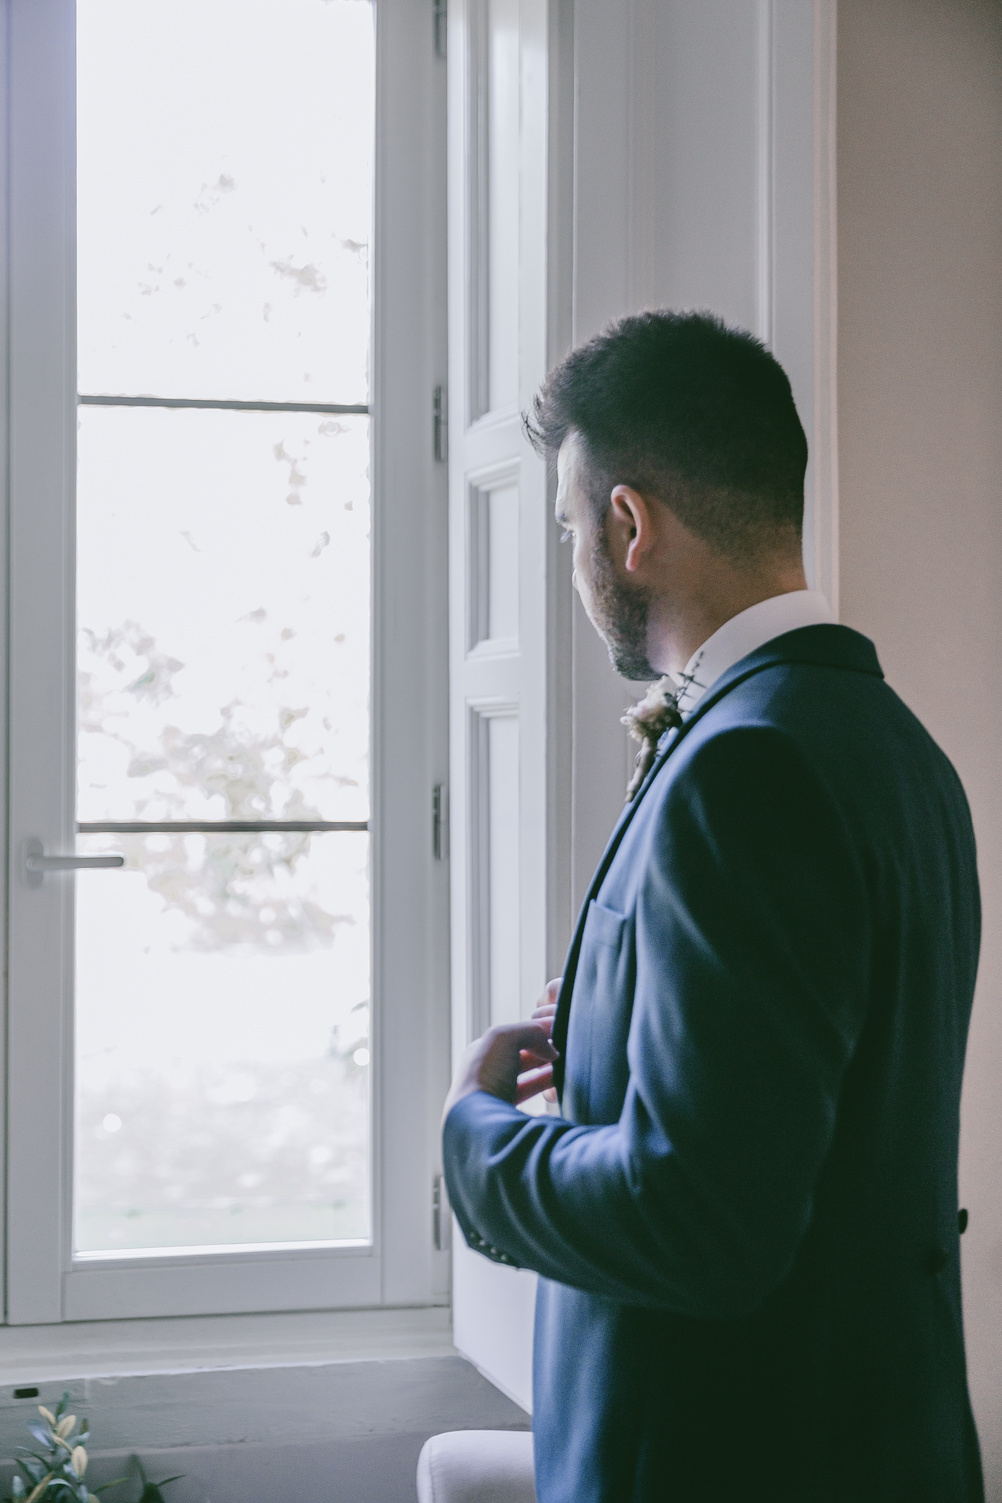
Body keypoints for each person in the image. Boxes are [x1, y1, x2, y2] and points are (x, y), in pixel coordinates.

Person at [441, 311, 984, 1503]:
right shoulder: (896, 749)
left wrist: (476, 1139)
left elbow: (701, 1221)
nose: (574, 561)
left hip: (732, 1457)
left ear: (629, 525)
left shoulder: (747, 767)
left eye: (570, 528)